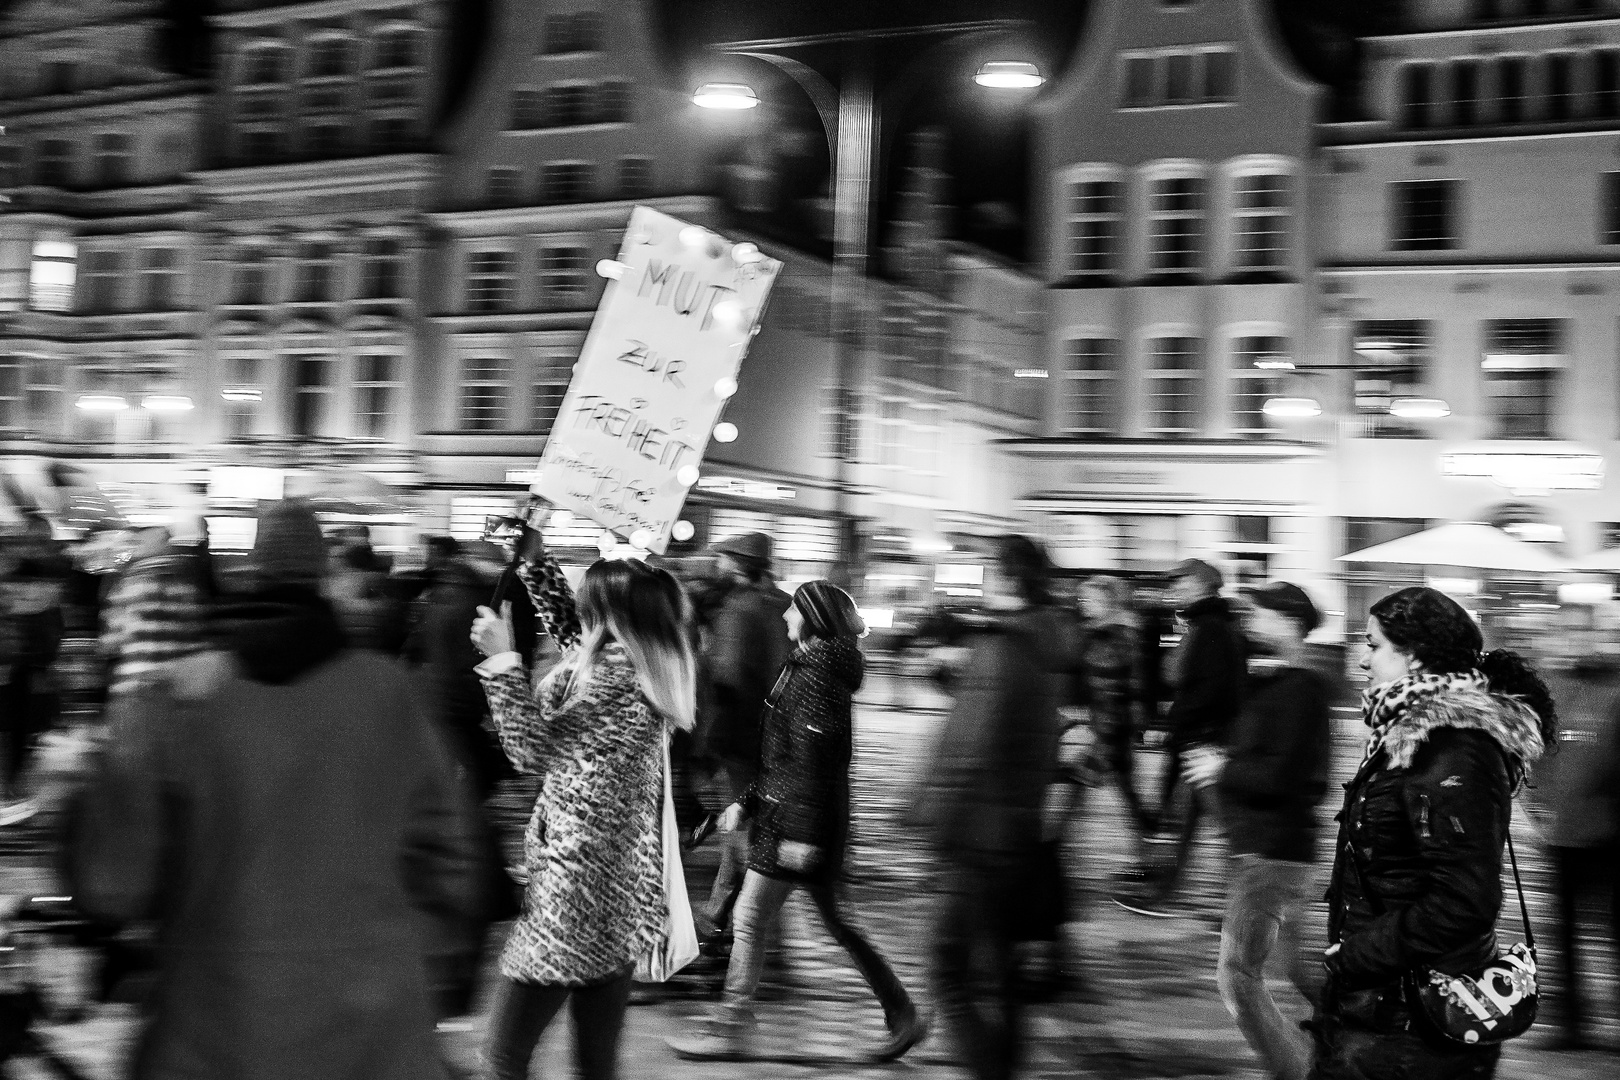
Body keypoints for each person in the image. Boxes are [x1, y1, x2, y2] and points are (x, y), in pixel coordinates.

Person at [66, 498, 489, 1080]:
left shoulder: (178, 700)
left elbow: (113, 885)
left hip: (215, 1031)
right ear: (324, 577)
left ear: (251, 572)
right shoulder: (388, 695)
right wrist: (403, 965)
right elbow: (456, 862)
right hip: (372, 1032)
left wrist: (84, 786)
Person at [470, 517, 697, 1080]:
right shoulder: (650, 667)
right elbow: (578, 636)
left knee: (502, 1056)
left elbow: (526, 751)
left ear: (606, 615)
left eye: (585, 601)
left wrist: (501, 661)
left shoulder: (587, 682)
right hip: (619, 890)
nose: (577, 608)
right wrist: (534, 562)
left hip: (570, 892)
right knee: (595, 1065)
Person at [670, 581, 927, 1062]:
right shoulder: (811, 668)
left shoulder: (816, 676)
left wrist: (801, 836)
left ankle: (730, 1029)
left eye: (794, 607)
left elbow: (813, 762)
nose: (786, 614)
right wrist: (744, 803)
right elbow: (784, 759)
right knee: (837, 922)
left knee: (749, 918)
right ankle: (903, 1014)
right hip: (797, 817)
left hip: (798, 825)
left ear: (812, 618)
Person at [1310, 587, 1555, 1080]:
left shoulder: (1453, 749)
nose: (1361, 660)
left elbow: (1466, 899)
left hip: (1412, 1021)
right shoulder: (1405, 735)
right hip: (1381, 1006)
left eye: (1374, 645)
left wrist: (1355, 955)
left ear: (1415, 655)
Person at [911, 535, 1082, 1080]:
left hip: (977, 831)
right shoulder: (1046, 643)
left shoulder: (1001, 647)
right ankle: (1003, 1065)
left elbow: (967, 746)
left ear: (1005, 579)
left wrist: (928, 814)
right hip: (1019, 826)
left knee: (948, 967)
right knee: (1001, 970)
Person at [1194, 582, 1333, 1080]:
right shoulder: (1276, 685)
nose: (1251, 621)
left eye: (1262, 613)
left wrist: (1220, 769)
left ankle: (1298, 1070)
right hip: (1265, 849)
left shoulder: (1304, 689)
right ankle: (1367, 1044)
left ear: (1290, 622)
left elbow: (1283, 778)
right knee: (1301, 970)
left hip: (1273, 854)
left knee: (1237, 976)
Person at [1127, 557, 1246, 908]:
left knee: (1216, 827)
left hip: (1201, 741)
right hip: (1200, 738)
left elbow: (1207, 690)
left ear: (1201, 586)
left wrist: (1175, 723)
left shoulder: (1209, 629)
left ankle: (1245, 901)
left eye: (1181, 583)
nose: (1174, 590)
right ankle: (1162, 891)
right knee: (1186, 824)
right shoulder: (1207, 626)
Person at [693, 533, 791, 937]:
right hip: (782, 735)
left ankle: (748, 920)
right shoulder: (787, 604)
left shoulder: (737, 609)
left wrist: (706, 742)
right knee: (752, 825)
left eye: (723, 559)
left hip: (741, 737)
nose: (719, 566)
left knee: (741, 827)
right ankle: (718, 912)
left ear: (735, 564)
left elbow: (728, 680)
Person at [1531, 642, 1620, 1051]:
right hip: (1570, 837)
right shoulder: (1563, 692)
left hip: (1603, 837)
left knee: (1597, 932)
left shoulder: (1605, 694)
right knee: (1569, 934)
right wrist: (1541, 803)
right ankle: (1571, 1025)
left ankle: (1575, 1025)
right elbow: (1543, 753)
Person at [1074, 574, 1154, 834]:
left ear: (1107, 601)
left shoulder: (1116, 635)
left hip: (1112, 725)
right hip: (1108, 723)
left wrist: (1109, 728)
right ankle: (1147, 849)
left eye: (1089, 598)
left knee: (1076, 783)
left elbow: (1124, 684)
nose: (1083, 603)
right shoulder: (1099, 633)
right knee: (1125, 790)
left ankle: (1048, 850)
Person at [100, 525, 209, 699]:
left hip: (135, 685)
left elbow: (110, 644)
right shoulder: (187, 587)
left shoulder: (125, 587)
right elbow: (195, 634)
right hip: (178, 688)